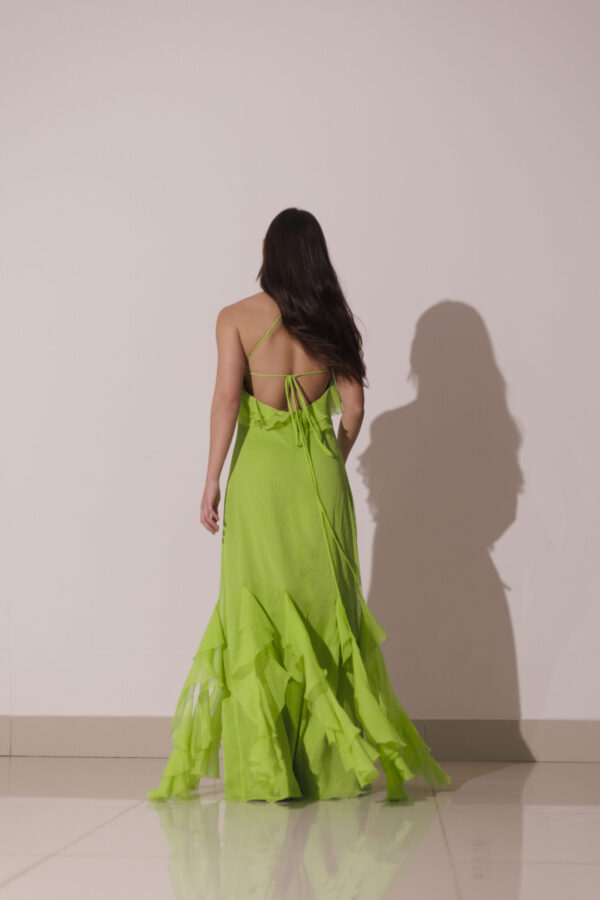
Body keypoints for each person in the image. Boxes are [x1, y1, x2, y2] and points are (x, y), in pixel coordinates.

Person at [146, 208, 451, 803]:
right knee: (326, 609)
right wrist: (332, 454)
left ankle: (268, 772)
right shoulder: (331, 319)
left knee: (255, 611)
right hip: (320, 482)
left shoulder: (234, 318)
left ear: (268, 249)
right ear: (315, 256)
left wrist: (210, 479)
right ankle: (328, 770)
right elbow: (354, 408)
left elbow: (225, 403)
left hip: (259, 481)